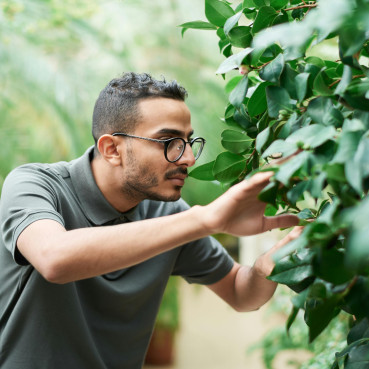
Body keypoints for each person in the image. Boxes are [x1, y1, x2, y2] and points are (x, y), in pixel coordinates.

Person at [0, 72, 301, 369]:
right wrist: (205, 219)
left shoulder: (169, 215)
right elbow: (54, 258)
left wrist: (268, 266)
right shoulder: (35, 185)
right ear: (112, 149)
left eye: (188, 140)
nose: (188, 159)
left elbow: (241, 292)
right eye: (169, 141)